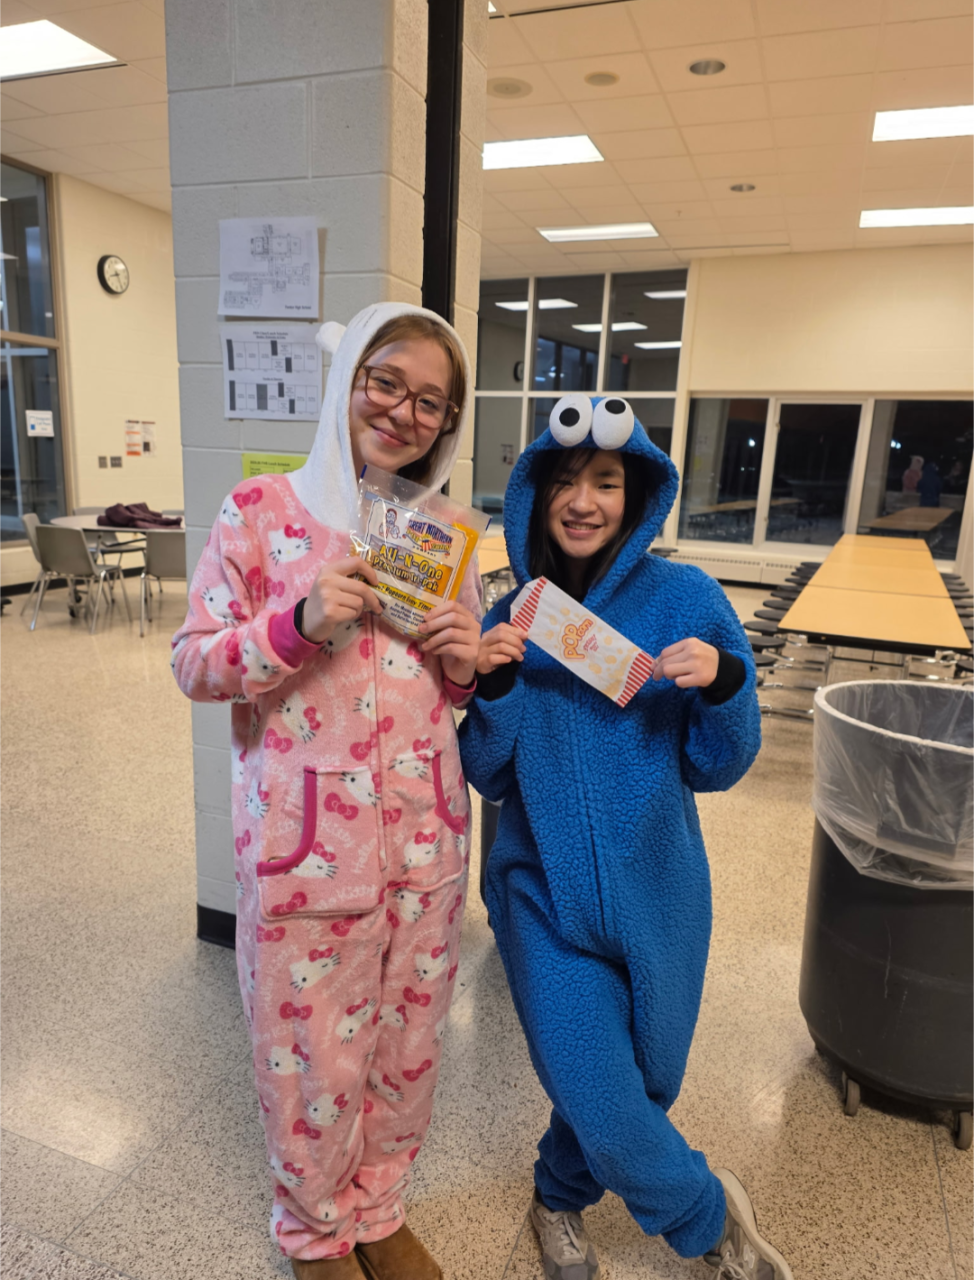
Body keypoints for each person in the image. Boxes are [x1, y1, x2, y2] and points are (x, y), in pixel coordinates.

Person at [172, 303, 482, 1280]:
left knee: (407, 1039)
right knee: (309, 1050)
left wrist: (466, 664)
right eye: (386, 381)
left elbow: (451, 691)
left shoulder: (440, 535)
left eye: (430, 401)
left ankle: (378, 1205)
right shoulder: (258, 512)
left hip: (427, 844)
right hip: (307, 846)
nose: (402, 411)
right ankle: (313, 1227)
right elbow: (193, 664)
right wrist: (296, 622)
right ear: (348, 377)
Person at [458, 394, 793, 1280]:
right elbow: (487, 772)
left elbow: (719, 766)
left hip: (661, 895)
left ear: (637, 493)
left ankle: (555, 1196)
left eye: (605, 481)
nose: (583, 501)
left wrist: (725, 685)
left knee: (642, 1086)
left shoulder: (688, 599)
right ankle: (709, 1221)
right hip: (541, 898)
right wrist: (494, 690)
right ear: (535, 493)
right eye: (565, 481)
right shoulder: (513, 614)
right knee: (605, 1103)